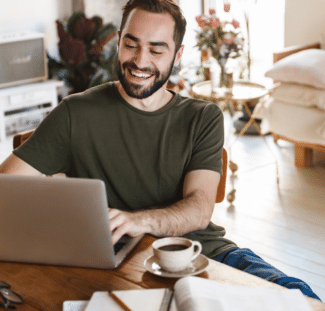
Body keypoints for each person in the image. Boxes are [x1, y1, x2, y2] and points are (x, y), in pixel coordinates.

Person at [0, 0, 320, 301]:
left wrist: (139, 221)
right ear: (119, 40)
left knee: (300, 297)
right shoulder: (75, 113)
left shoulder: (202, 117)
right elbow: (7, 189)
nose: (140, 61)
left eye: (156, 50)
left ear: (177, 55)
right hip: (115, 264)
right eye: (131, 44)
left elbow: (199, 208)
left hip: (201, 252)